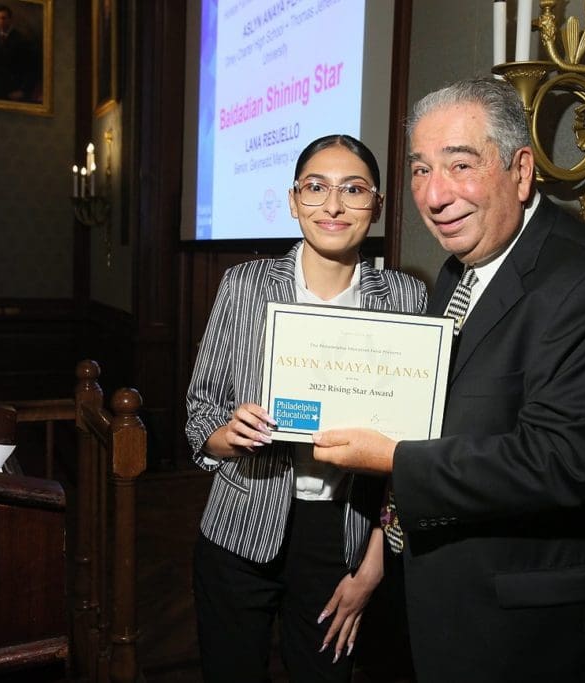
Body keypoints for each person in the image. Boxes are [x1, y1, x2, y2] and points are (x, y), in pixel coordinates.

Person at [312, 78, 585, 681]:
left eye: (460, 164)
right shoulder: (459, 272)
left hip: (532, 635)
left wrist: (395, 459)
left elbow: (561, 462)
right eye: (421, 170)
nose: (434, 194)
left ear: (521, 170)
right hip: (441, 605)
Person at [186, 134, 427, 682]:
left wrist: (373, 567)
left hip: (342, 537)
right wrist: (230, 432)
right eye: (316, 188)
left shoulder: (408, 299)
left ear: (378, 205)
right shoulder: (244, 286)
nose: (334, 206)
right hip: (239, 528)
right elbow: (199, 414)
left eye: (353, 189)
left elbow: (414, 458)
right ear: (294, 201)